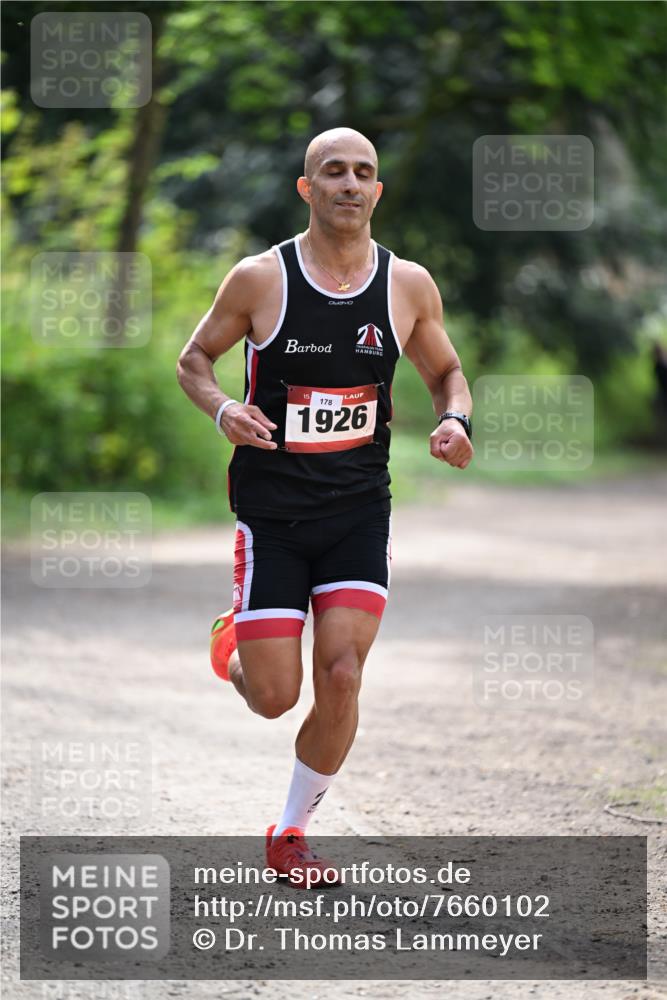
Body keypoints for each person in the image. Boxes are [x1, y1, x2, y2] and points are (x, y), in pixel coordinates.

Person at [176, 127, 473, 885]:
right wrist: (221, 412)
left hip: (356, 511)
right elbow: (195, 360)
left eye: (363, 173)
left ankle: (291, 831)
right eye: (332, 171)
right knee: (275, 698)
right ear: (307, 189)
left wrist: (453, 419)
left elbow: (446, 371)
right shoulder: (259, 279)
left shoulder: (406, 284)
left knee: (341, 673)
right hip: (271, 514)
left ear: (376, 193)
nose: (349, 183)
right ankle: (234, 646)